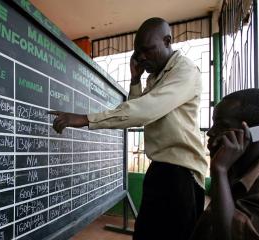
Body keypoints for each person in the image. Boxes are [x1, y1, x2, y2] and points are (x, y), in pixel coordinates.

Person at [49, 17, 207, 240]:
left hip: (182, 174)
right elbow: (141, 113)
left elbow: (144, 110)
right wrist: (135, 80)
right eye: (138, 52)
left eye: (147, 50)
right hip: (161, 169)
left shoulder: (185, 71)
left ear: (167, 41)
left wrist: (85, 119)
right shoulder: (155, 77)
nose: (141, 57)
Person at [190, 89, 259, 240]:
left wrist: (220, 170)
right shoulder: (238, 166)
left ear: (253, 133)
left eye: (222, 124)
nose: (210, 132)